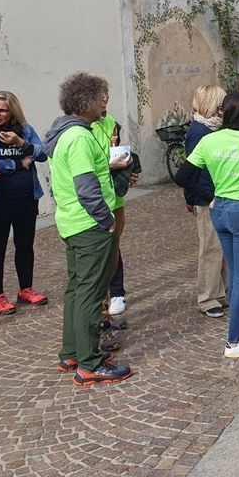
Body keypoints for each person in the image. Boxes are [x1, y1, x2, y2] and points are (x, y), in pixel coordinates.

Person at [43, 73, 132, 386]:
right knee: (91, 294)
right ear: (89, 102)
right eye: (102, 98)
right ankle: (89, 363)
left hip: (72, 222)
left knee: (77, 289)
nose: (105, 103)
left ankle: (72, 352)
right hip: (89, 224)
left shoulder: (64, 133)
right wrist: (107, 221)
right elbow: (86, 186)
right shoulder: (79, 137)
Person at [176, 91, 239, 358]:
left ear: (224, 113)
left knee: (234, 272)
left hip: (219, 209)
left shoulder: (209, 141)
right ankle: (233, 341)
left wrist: (208, 195)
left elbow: (183, 176)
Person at [0, 90, 49, 315]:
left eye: (3, 111)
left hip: (26, 197)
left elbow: (42, 153)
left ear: (12, 112)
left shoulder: (25, 130)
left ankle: (26, 289)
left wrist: (21, 143)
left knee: (25, 245)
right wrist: (19, 163)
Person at [182, 85, 229, 319]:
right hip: (207, 199)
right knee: (210, 248)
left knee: (220, 247)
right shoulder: (199, 133)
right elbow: (192, 171)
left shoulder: (210, 129)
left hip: (214, 196)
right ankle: (208, 297)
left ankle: (220, 292)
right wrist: (200, 197)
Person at [90, 104, 134, 319]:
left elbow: (118, 151)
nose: (104, 102)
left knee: (113, 245)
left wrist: (128, 172)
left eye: (106, 97)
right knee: (98, 252)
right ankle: (100, 303)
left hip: (113, 197)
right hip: (93, 199)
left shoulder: (111, 123)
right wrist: (109, 166)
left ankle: (116, 293)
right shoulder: (79, 129)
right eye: (101, 98)